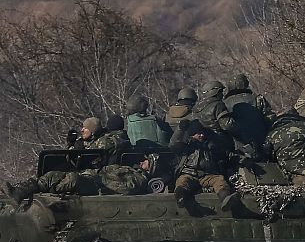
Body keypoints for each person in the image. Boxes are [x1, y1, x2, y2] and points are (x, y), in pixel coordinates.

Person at [3, 156, 155, 204]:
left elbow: (125, 188)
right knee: (54, 174)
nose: (143, 161)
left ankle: (22, 191)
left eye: (147, 161)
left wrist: (101, 179)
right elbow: (105, 170)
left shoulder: (139, 179)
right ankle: (20, 191)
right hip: (92, 178)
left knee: (73, 179)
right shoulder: (129, 169)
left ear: (151, 167)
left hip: (98, 187)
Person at [170, 119, 239, 213]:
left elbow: (224, 154)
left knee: (219, 180)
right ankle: (181, 198)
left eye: (202, 133)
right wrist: (180, 129)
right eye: (198, 133)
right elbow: (173, 144)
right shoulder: (186, 146)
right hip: (189, 174)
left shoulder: (209, 145)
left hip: (207, 175)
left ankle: (225, 198)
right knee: (182, 181)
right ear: (192, 134)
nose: (201, 135)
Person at [223, 74, 268, 159]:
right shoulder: (258, 99)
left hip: (237, 148)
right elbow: (269, 119)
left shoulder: (224, 103)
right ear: (246, 83)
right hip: (261, 144)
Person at [192, 80, 238, 150]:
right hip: (220, 140)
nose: (222, 94)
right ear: (215, 92)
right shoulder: (218, 104)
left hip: (202, 141)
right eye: (220, 92)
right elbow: (227, 125)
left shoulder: (196, 107)